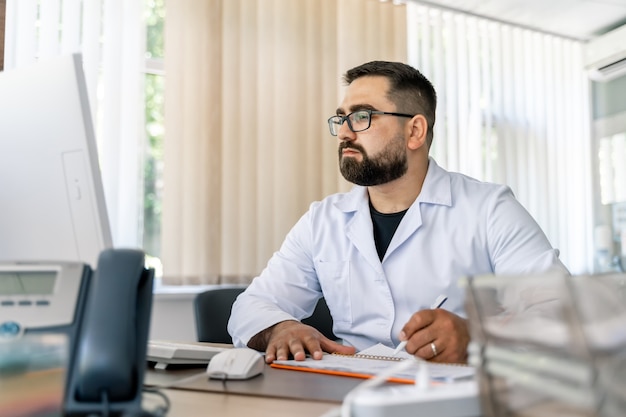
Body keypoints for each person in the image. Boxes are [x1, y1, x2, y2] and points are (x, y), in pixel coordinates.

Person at [228, 60, 568, 365]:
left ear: (415, 131)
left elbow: (562, 313)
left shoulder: (489, 209)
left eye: (362, 116)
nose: (345, 132)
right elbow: (251, 305)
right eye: (342, 118)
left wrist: (477, 336)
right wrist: (279, 328)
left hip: (452, 396)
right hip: (347, 395)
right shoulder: (322, 220)